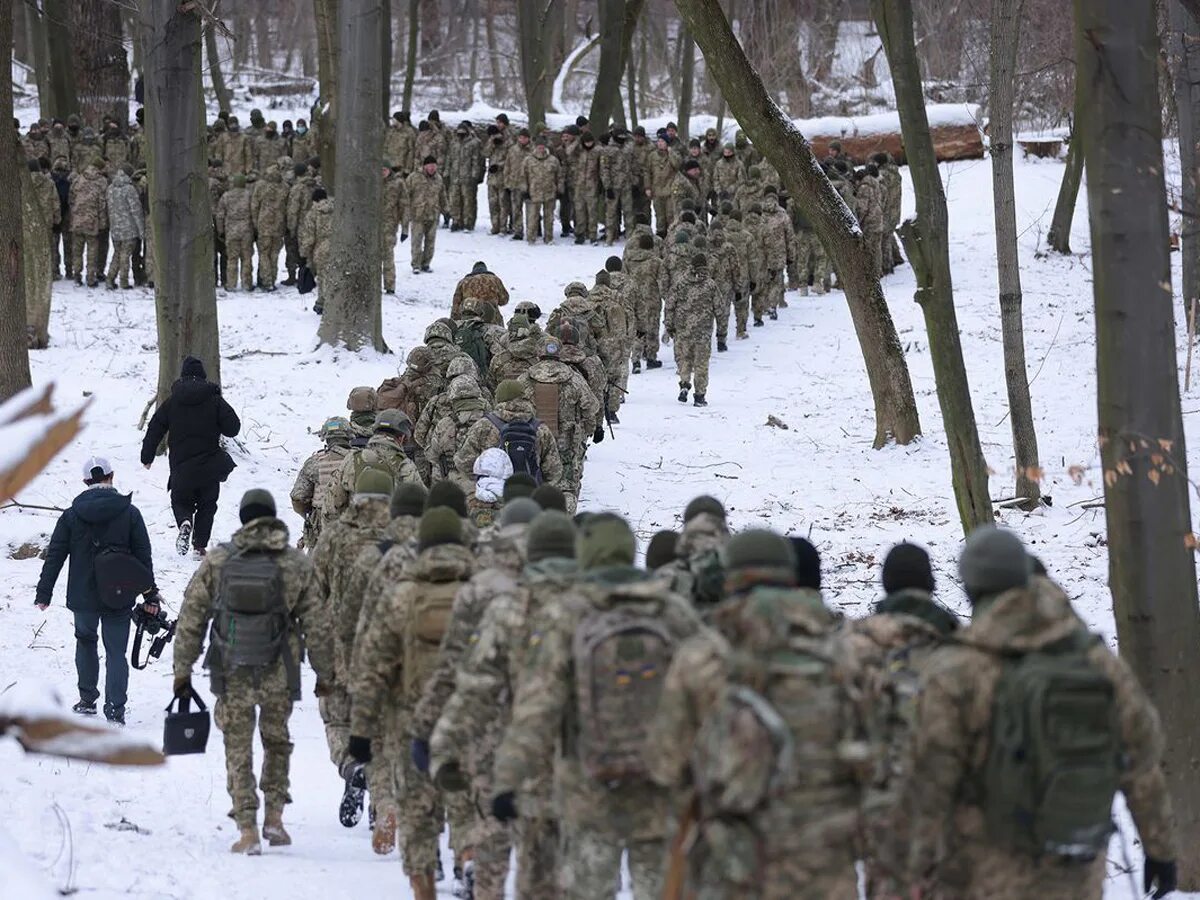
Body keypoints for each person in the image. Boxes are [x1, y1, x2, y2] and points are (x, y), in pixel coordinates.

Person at [902, 526, 1178, 899]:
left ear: (971, 588)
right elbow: (1142, 761)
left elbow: (930, 780)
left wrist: (915, 869)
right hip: (1076, 873)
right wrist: (1160, 849)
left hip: (982, 874)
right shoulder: (1093, 660)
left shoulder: (958, 670)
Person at [491, 513, 702, 900]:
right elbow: (710, 699)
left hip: (588, 788)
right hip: (662, 785)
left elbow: (538, 705)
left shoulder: (567, 614)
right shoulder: (674, 614)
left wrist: (507, 778)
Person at [173, 489, 338, 855]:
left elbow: (191, 617)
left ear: (244, 517)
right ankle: (275, 818)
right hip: (280, 668)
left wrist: (182, 669)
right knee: (276, 741)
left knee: (237, 745)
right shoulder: (296, 563)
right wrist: (325, 673)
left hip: (231, 668)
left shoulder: (218, 560)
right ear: (272, 516)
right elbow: (318, 624)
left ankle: (247, 828)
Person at [35, 456, 155, 726]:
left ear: (85, 482)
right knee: (116, 653)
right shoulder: (130, 513)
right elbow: (143, 557)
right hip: (120, 594)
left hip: (83, 596)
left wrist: (44, 592)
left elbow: (55, 555)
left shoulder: (71, 515)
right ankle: (115, 709)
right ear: (111, 476)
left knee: (85, 641)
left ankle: (88, 700)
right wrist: (150, 594)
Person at [141, 356, 241, 557]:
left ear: (183, 376)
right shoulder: (214, 400)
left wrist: (147, 455)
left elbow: (155, 427)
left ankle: (185, 521)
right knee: (207, 505)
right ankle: (199, 546)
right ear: (203, 377)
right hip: (209, 466)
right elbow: (233, 428)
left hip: (181, 466)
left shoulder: (172, 402)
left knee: (180, 500)